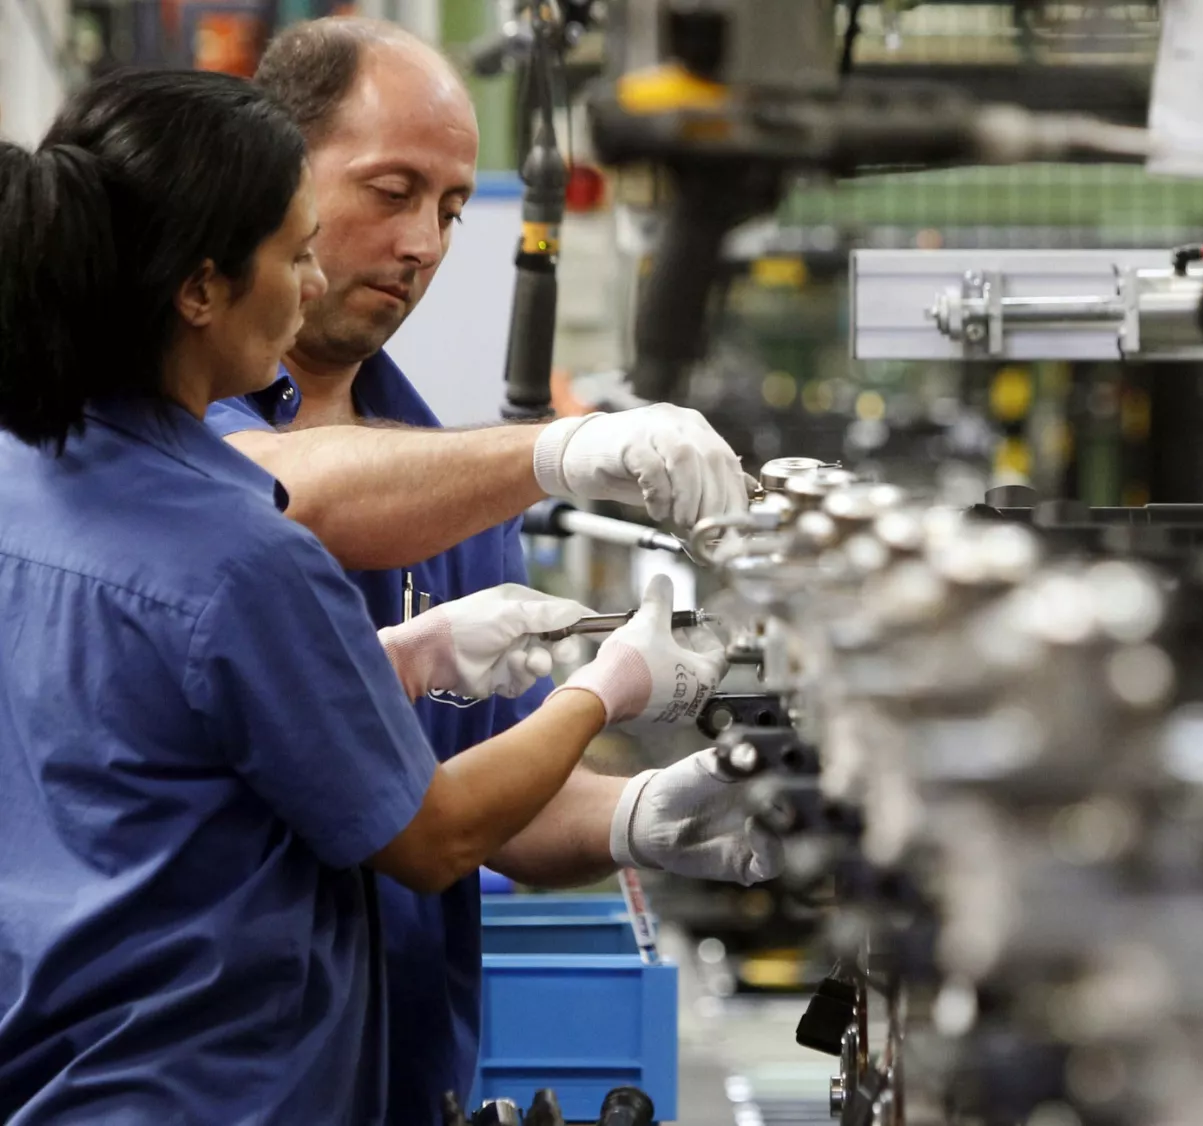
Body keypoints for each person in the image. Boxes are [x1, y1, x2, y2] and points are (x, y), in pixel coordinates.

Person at [0, 69, 724, 1123]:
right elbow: (428, 836)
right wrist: (608, 691)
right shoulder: (236, 546)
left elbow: (148, 740)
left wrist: (400, 663)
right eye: (293, 253)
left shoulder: (26, 483)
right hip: (209, 1086)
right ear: (199, 289)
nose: (305, 285)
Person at [208, 17, 781, 1121]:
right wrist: (552, 450)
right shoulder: (167, 432)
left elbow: (477, 799)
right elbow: (276, 496)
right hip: (223, 1069)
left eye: (453, 208)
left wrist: (639, 813)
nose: (423, 240)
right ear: (271, 178)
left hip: (399, 1069)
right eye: (390, 190)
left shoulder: (461, 496)